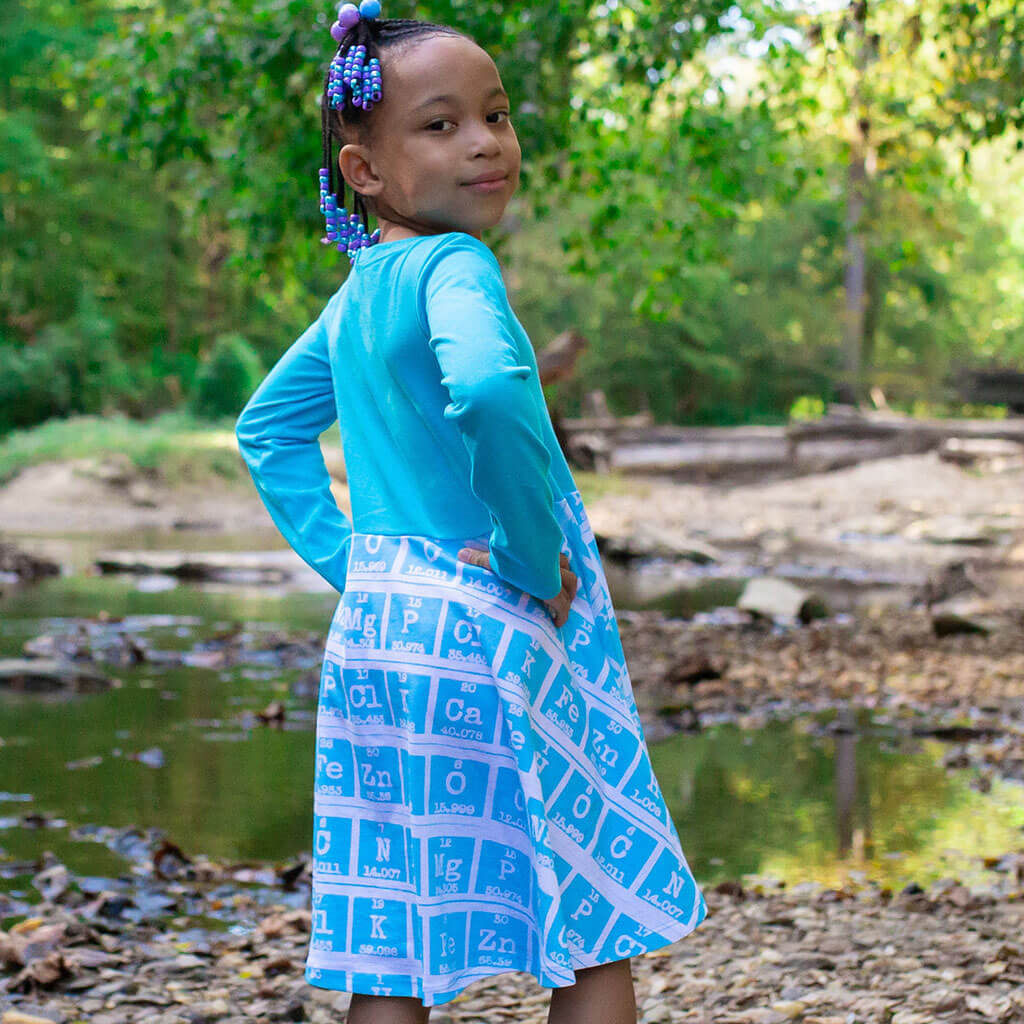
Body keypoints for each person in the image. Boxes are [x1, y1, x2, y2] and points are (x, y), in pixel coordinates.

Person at [234, 3, 708, 1021]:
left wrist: (356, 567)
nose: (485, 141)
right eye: (440, 125)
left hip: (380, 635)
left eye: (494, 114)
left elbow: (265, 430)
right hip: (493, 622)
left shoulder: (358, 291)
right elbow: (492, 393)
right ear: (363, 171)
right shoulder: (455, 267)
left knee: (392, 937)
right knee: (591, 924)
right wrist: (531, 556)